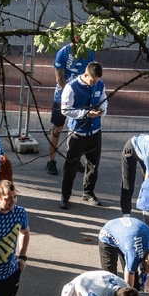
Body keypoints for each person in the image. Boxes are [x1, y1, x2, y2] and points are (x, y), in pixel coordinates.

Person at [45, 32, 96, 175]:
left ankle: (74, 159)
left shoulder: (89, 53)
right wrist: (71, 93)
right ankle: (51, 161)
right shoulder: (63, 53)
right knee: (57, 129)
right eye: (79, 35)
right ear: (73, 37)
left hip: (81, 98)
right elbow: (59, 79)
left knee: (76, 131)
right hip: (62, 97)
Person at [59, 60, 107, 209]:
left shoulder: (100, 84)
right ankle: (65, 196)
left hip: (95, 132)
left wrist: (102, 110)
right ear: (85, 74)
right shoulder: (71, 87)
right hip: (77, 133)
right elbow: (65, 110)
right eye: (92, 81)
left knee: (93, 165)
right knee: (71, 166)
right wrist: (85, 114)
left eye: (96, 81)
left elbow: (103, 100)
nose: (94, 84)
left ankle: (88, 192)